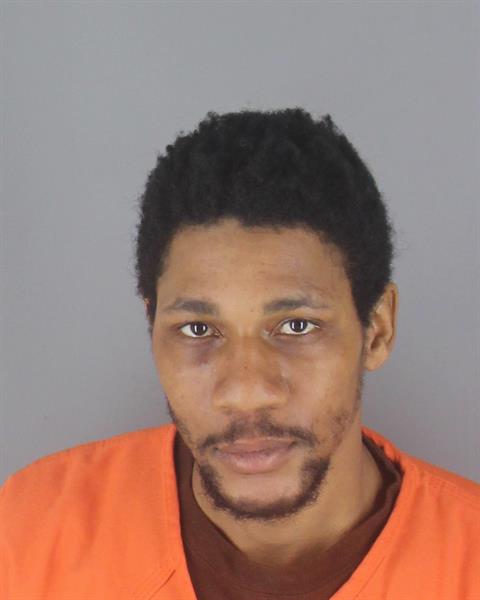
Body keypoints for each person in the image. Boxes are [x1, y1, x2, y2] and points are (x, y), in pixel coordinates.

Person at [1, 108, 479, 600]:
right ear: (152, 327)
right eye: (198, 329)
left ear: (376, 330)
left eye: (296, 326)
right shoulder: (29, 532)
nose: (246, 391)